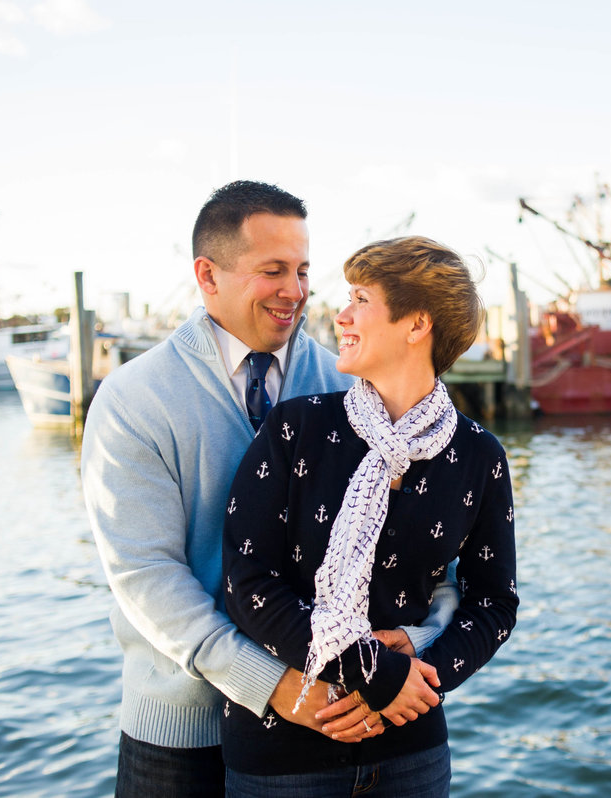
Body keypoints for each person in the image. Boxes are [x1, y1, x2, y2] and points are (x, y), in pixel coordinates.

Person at [81, 182, 457, 797]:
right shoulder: (133, 399)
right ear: (208, 276)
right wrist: (274, 686)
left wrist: (410, 644)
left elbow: (423, 538)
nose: (297, 291)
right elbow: (146, 575)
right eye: (273, 270)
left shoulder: (346, 383)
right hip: (183, 730)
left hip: (327, 726)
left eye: (304, 270)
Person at [221, 236, 518, 797]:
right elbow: (248, 584)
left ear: (416, 325)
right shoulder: (295, 429)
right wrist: (373, 673)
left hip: (410, 748)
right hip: (283, 751)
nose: (341, 313)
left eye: (360, 299)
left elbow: (494, 603)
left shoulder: (479, 456)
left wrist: (426, 677)